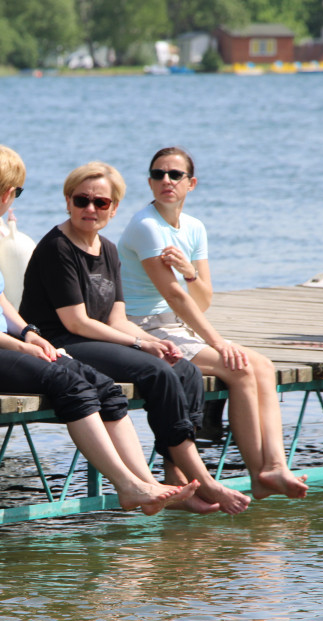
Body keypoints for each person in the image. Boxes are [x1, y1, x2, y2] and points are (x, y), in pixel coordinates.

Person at [0, 145, 200, 515]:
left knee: (105, 387)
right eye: (17, 193)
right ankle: (127, 485)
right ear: (7, 194)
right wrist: (23, 349)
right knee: (70, 385)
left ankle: (144, 482)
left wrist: (30, 333)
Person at [19, 161, 250, 514]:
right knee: (155, 371)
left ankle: (174, 476)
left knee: (183, 369)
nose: (90, 209)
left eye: (102, 203)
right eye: (82, 200)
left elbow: (115, 316)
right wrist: (141, 344)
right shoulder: (58, 248)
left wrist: (153, 341)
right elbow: (76, 322)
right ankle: (204, 480)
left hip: (97, 339)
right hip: (60, 341)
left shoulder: (108, 249)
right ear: (67, 202)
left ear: (114, 209)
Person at [118, 147, 309, 500]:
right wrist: (219, 342)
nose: (166, 181)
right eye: (158, 174)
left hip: (178, 324)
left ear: (191, 184)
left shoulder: (193, 228)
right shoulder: (147, 226)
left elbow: (201, 300)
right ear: (149, 182)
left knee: (263, 366)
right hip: (144, 327)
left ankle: (276, 466)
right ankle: (259, 472)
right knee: (239, 369)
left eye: (175, 175)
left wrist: (189, 271)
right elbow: (175, 298)